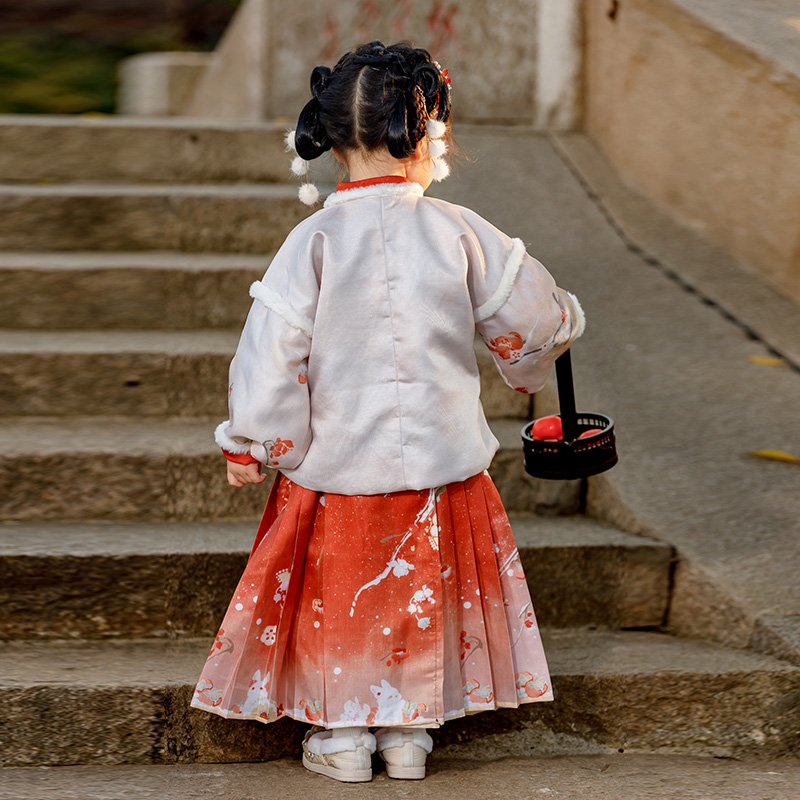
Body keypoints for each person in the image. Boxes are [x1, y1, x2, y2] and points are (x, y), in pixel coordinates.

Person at [190, 40, 585, 783]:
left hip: (337, 464)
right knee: (422, 593)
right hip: (441, 462)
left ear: (331, 138)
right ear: (429, 127)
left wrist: (258, 442)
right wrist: (526, 362)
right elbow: (534, 320)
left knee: (342, 599)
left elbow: (273, 354)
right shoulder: (459, 230)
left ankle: (343, 736)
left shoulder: (311, 242)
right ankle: (409, 736)